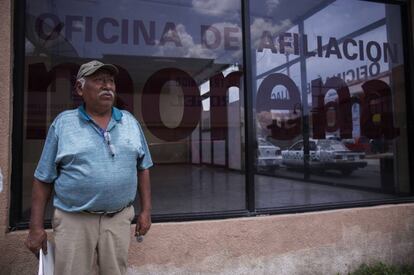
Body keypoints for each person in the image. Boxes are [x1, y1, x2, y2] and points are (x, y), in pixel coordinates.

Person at [25, 60, 153, 275]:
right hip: (74, 220)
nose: (108, 86)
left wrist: (146, 211)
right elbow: (43, 178)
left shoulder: (129, 122)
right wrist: (35, 227)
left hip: (118, 219)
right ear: (79, 88)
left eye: (111, 81)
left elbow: (143, 167)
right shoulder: (64, 124)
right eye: (99, 81)